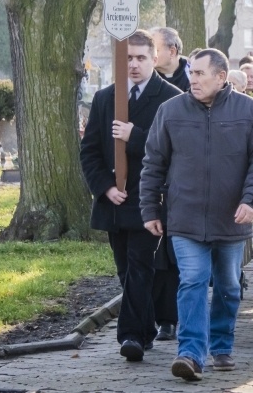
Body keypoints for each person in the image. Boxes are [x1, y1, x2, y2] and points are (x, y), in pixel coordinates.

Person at [140, 48, 253, 381]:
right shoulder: (170, 111)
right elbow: (153, 163)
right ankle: (190, 354)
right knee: (193, 281)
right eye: (191, 73)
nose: (193, 79)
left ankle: (221, 344)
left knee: (229, 287)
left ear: (221, 76)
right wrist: (149, 209)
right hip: (184, 219)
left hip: (233, 219)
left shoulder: (251, 111)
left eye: (200, 73)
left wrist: (252, 200)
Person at [79, 30, 182, 362]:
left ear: (155, 58)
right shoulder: (106, 98)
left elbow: (176, 151)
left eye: (140, 58)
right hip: (114, 202)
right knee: (125, 269)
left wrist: (135, 136)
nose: (134, 65)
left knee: (140, 266)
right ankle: (147, 327)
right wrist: (104, 187)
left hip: (150, 199)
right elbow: (90, 151)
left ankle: (131, 337)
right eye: (128, 58)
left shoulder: (172, 98)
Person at [150, 27, 191, 92]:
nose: (149, 55)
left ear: (172, 52)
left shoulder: (193, 75)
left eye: (154, 51)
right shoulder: (145, 76)